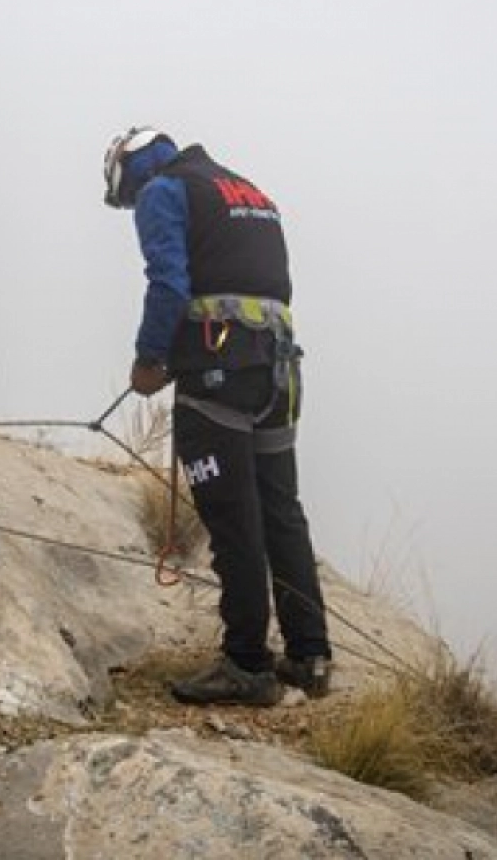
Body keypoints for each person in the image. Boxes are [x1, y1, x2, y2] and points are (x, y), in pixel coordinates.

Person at [102, 127, 333, 705]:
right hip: (278, 371)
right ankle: (310, 656)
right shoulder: (249, 191)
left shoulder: (163, 188)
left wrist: (150, 358)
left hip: (215, 373)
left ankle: (247, 665)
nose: (133, 206)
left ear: (130, 169)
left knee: (233, 520)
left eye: (125, 196)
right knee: (282, 511)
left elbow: (169, 282)